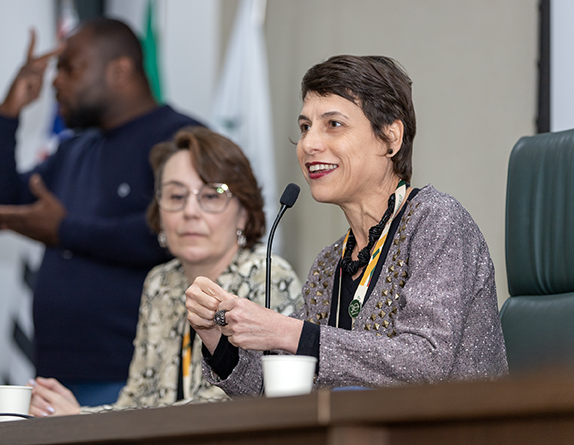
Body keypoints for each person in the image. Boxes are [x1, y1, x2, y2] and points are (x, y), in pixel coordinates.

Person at [185, 55, 508, 395]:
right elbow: (279, 392)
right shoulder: (329, 264)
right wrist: (215, 337)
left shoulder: (437, 222)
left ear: (390, 138)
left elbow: (425, 362)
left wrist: (287, 331)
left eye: (333, 124)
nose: (309, 144)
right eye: (305, 127)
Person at [0, 18, 201, 406]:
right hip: (53, 377)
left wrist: (65, 231)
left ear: (119, 70)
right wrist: (7, 116)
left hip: (134, 377)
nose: (55, 81)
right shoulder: (73, 151)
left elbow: (169, 235)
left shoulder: (181, 141)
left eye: (70, 67)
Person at [26, 127, 302, 415]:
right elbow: (137, 400)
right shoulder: (161, 283)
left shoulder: (266, 275)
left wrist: (81, 419)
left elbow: (233, 407)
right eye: (176, 196)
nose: (190, 211)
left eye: (211, 195)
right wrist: (76, 415)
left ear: (243, 214)